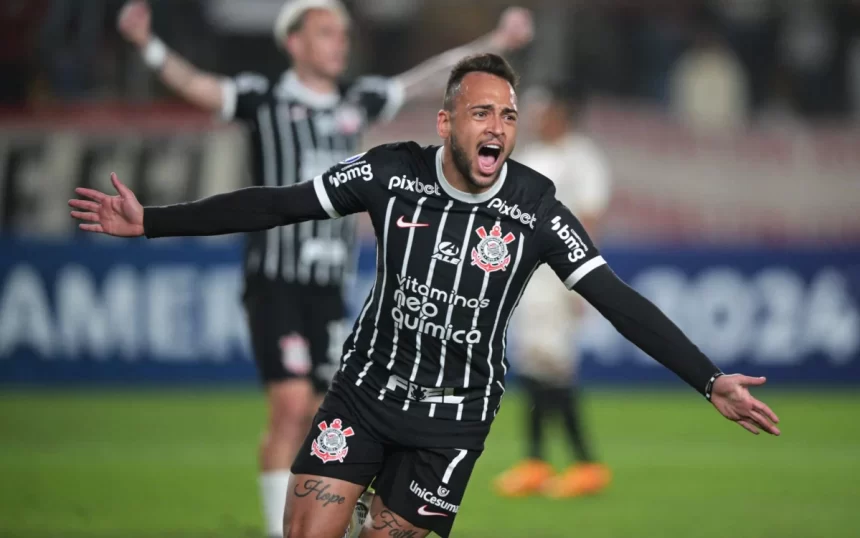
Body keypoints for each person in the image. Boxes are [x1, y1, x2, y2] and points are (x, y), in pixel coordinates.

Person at [70, 53, 781, 538]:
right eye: (481, 113)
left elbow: (618, 301)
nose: (497, 127)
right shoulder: (389, 174)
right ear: (447, 123)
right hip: (366, 393)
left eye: (506, 115)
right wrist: (153, 222)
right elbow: (277, 204)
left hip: (453, 419)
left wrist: (709, 379)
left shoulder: (536, 209)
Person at [116, 2, 533, 537]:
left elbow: (431, 81)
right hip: (278, 279)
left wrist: (496, 40)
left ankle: (346, 498)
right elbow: (198, 86)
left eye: (343, 32)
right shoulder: (261, 98)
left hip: (331, 288)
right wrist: (148, 44)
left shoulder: (357, 101)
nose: (341, 41)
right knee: (290, 405)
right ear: (293, 42)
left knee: (322, 409)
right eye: (326, 32)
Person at [495, 84, 613, 498]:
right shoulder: (529, 158)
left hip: (562, 274)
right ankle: (536, 462)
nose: (535, 117)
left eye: (542, 110)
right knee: (533, 366)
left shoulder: (582, 158)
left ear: (561, 112)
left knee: (556, 366)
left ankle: (586, 464)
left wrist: (583, 283)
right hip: (530, 277)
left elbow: (591, 218)